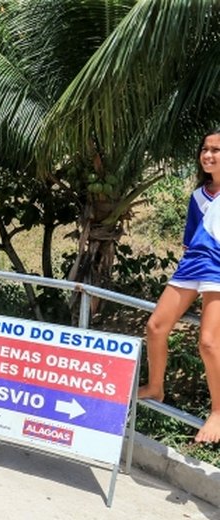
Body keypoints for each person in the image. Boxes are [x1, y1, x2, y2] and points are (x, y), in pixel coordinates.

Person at [139, 128, 220, 444]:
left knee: (209, 343)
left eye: (216, 150)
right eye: (205, 149)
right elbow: (189, 241)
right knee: (155, 327)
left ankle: (218, 412)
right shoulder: (198, 196)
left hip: (218, 268)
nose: (208, 155)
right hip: (192, 266)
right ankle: (156, 386)